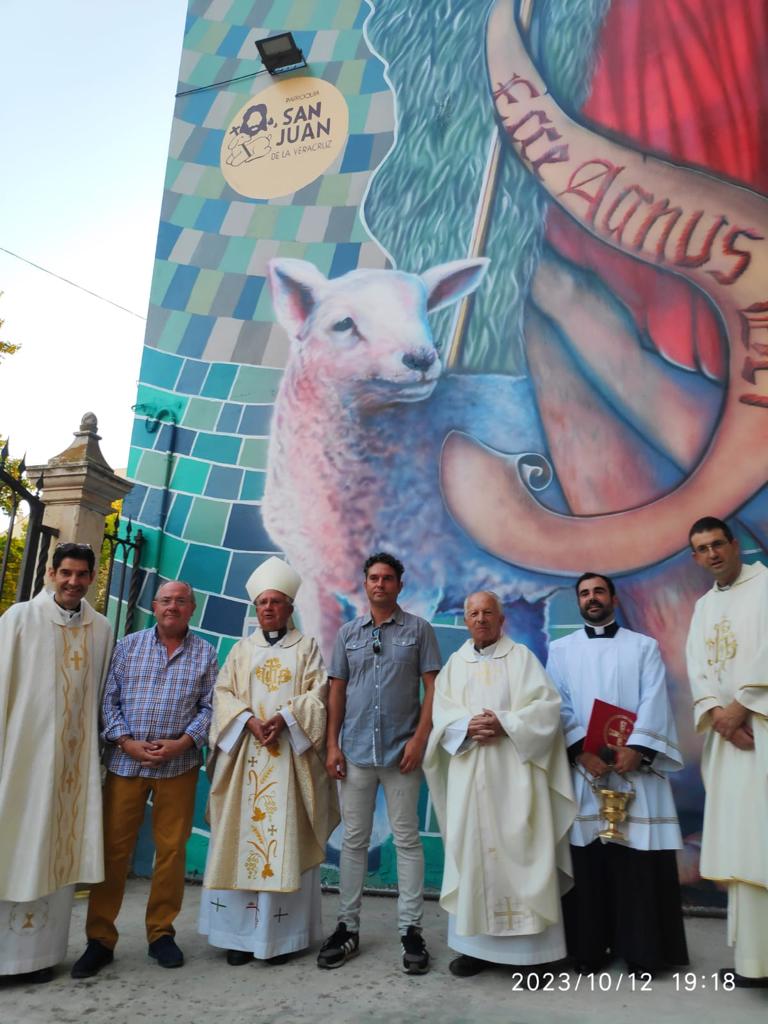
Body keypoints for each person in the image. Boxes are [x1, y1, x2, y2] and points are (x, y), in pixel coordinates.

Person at [424, 590, 576, 977]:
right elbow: (441, 717)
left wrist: (505, 724)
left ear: (500, 618)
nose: (480, 619)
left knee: (523, 853)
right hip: (471, 776)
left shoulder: (522, 659)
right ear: (465, 619)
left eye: (487, 612)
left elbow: (546, 710)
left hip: (516, 778)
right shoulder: (455, 665)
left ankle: (533, 956)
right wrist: (466, 725)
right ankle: (475, 949)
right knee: (474, 857)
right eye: (473, 612)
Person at [71, 580, 217, 978]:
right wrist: (125, 741)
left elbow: (209, 706)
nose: (173, 606)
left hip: (178, 766)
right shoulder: (128, 646)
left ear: (193, 608)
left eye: (182, 601)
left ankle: (161, 934)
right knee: (114, 851)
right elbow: (109, 699)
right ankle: (100, 939)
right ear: (154, 606)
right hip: (126, 764)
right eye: (166, 600)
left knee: (171, 852)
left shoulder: (205, 653)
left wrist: (185, 742)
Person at [546, 572, 689, 977]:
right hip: (587, 770)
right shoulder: (560, 650)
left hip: (635, 771)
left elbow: (654, 697)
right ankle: (588, 950)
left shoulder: (643, 647)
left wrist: (639, 750)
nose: (592, 598)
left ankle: (643, 953)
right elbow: (557, 704)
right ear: (579, 601)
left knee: (637, 864)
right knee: (589, 863)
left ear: (612, 597)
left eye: (599, 591)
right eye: (585, 593)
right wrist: (579, 752)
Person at [199, 556, 339, 964]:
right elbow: (222, 694)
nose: (268, 608)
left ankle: (280, 939)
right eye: (262, 602)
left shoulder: (308, 648)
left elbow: (319, 695)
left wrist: (284, 718)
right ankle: (240, 938)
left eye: (276, 602)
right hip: (246, 760)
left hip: (289, 765)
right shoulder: (242, 650)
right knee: (239, 838)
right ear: (255, 608)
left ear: (290, 607)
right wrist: (246, 721)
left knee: (284, 842)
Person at [318, 553, 441, 974]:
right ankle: (347, 927)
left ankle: (411, 930)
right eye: (374, 578)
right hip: (354, 752)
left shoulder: (419, 631)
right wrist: (332, 746)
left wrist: (421, 739)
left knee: (406, 840)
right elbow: (336, 692)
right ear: (365, 584)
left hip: (401, 753)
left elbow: (433, 688)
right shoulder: (348, 633)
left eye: (388, 578)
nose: (381, 584)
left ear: (399, 585)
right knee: (354, 840)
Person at [0, 542, 113, 983]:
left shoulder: (100, 629)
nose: (73, 582)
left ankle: (41, 957)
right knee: (15, 845)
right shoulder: (19, 620)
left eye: (81, 575)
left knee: (57, 851)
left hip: (71, 769)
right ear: (50, 573)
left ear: (91, 579)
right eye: (65, 573)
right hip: (23, 761)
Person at [685, 516, 768, 987]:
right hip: (730, 739)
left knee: (763, 844)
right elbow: (696, 664)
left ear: (735, 545)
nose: (713, 553)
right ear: (696, 558)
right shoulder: (702, 607)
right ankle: (753, 964)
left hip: (761, 733)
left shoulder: (766, 586)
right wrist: (718, 714)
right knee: (743, 846)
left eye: (719, 544)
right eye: (703, 548)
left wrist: (744, 706)